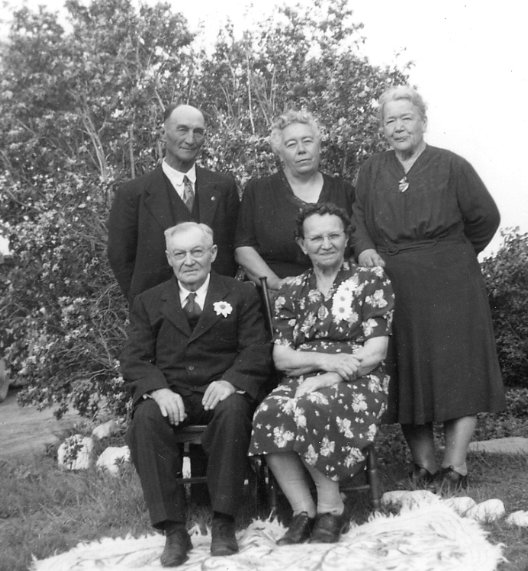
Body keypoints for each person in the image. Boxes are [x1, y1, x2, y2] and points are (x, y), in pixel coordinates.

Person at [352, 85, 505, 490]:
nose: (399, 127)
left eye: (406, 118)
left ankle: (455, 466)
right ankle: (423, 464)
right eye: (390, 120)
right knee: (405, 370)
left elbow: (485, 217)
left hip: (452, 282)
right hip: (395, 282)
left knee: (457, 370)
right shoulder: (370, 170)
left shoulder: (453, 166)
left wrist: (452, 255)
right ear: (382, 128)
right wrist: (366, 249)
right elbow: (357, 219)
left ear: (423, 121)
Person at [121, 221, 272, 567]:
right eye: (180, 254)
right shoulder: (148, 301)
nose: (188, 261)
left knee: (234, 412)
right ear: (169, 259)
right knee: (144, 419)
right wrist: (157, 390)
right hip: (172, 396)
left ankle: (223, 522)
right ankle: (174, 529)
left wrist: (231, 381)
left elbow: (256, 350)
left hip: (219, 392)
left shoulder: (240, 294)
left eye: (196, 251)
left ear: (213, 254)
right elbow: (134, 358)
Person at [248, 203, 395, 544]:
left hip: (360, 377)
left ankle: (331, 508)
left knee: (309, 405)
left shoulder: (371, 280)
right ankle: (304, 511)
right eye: (316, 238)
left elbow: (376, 351)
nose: (325, 244)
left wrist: (332, 377)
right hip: (306, 374)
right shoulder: (292, 289)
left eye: (334, 235)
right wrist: (325, 363)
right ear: (302, 244)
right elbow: (282, 358)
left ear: (346, 239)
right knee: (268, 413)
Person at [108, 103, 240, 305]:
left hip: (216, 311)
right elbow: (120, 257)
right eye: (182, 130)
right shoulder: (133, 193)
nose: (190, 139)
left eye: (198, 132)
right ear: (163, 134)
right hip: (157, 314)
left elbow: (231, 249)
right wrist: (143, 305)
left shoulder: (223, 187)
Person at [235, 110, 354, 294]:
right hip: (276, 295)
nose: (301, 150)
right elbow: (243, 248)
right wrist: (277, 284)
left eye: (307, 141)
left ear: (318, 145)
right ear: (280, 153)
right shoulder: (258, 191)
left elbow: (355, 246)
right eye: (291, 144)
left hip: (339, 294)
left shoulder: (344, 191)